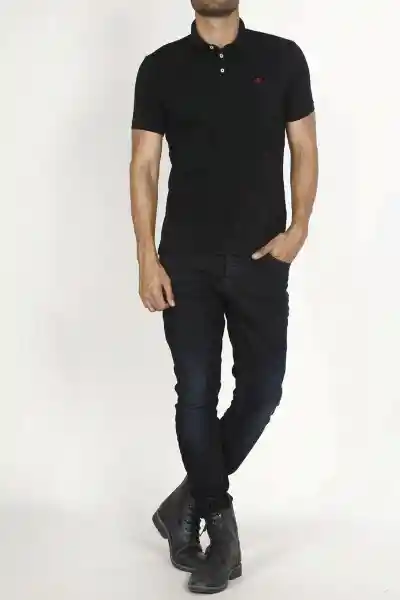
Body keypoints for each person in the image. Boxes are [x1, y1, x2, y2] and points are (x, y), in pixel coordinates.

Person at [130, 0, 318, 594]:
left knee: (263, 391)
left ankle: (184, 502)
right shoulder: (160, 67)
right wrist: (146, 257)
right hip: (185, 261)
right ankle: (221, 530)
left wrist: (299, 227)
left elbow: (304, 146)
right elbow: (144, 164)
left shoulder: (281, 58)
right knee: (197, 393)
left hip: (261, 257)